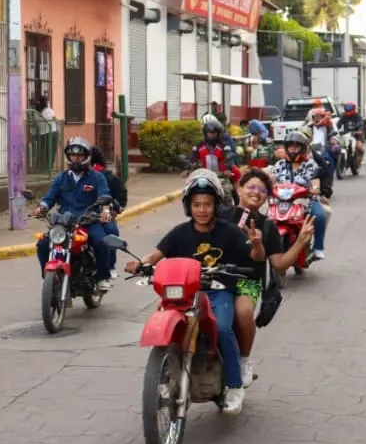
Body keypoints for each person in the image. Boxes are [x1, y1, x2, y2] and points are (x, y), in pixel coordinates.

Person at [125, 172, 263, 413]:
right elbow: (156, 254)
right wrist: (141, 263)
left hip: (218, 292)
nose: (202, 210)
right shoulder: (179, 233)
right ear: (189, 206)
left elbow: (254, 258)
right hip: (184, 295)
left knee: (221, 328)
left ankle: (234, 385)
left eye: (207, 204)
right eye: (196, 204)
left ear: (216, 205)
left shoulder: (229, 232)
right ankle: (166, 373)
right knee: (168, 326)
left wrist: (257, 245)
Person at [225, 168, 311, 387]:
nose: (256, 193)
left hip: (247, 282)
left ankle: (244, 360)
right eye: (251, 187)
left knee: (243, 311)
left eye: (262, 190)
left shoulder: (268, 225)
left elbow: (279, 264)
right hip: (214, 278)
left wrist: (300, 241)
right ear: (239, 188)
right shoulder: (220, 215)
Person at [34, 137, 115, 291]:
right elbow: (49, 197)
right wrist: (42, 207)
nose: (76, 158)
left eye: (79, 156)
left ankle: (102, 277)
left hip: (88, 221)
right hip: (64, 223)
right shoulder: (61, 178)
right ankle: (48, 277)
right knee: (43, 244)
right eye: (73, 155)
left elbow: (104, 195)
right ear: (68, 156)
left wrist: (105, 210)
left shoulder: (97, 177)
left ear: (86, 157)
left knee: (101, 242)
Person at [270, 131, 330, 262]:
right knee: (265, 218)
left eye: (296, 147)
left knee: (319, 215)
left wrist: (315, 189)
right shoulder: (280, 165)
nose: (293, 150)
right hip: (281, 200)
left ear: (303, 148)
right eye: (290, 146)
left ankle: (318, 248)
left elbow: (315, 180)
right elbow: (271, 179)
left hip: (304, 200)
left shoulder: (310, 164)